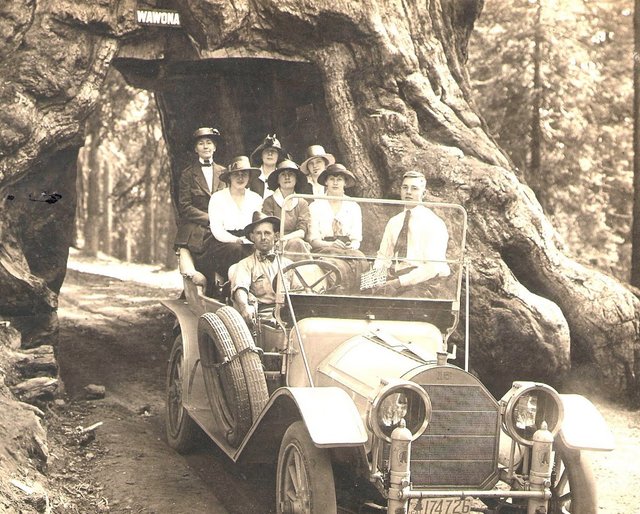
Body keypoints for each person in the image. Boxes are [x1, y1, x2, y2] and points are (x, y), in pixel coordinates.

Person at [372, 170, 450, 297]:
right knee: (361, 298)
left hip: (425, 282)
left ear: (423, 193)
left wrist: (398, 283)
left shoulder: (433, 223)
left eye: (414, 188)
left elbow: (432, 267)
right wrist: (376, 278)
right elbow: (383, 256)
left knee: (401, 306)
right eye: (405, 187)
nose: (408, 192)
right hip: (397, 277)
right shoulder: (394, 221)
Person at [174, 127, 225, 291]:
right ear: (196, 149)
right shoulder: (188, 174)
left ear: (215, 147)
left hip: (221, 224)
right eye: (201, 143)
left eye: (209, 142)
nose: (205, 146)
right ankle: (200, 287)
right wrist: (209, 219)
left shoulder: (224, 173)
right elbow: (185, 206)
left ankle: (223, 286)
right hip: (196, 226)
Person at [308, 163, 368, 291]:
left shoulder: (353, 206)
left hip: (347, 249)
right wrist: (330, 245)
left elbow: (356, 238)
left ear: (345, 183)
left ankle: (359, 302)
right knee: (335, 265)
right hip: (324, 249)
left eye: (339, 179)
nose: (335, 183)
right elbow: (313, 240)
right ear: (326, 182)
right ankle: (338, 295)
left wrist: (352, 245)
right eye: (331, 179)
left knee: (362, 262)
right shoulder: (315, 206)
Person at [229, 212, 293, 326]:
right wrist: (245, 308)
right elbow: (240, 288)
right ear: (252, 237)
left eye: (267, 233)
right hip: (262, 319)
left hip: (289, 315)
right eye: (259, 233)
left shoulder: (288, 264)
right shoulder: (245, 264)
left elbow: (300, 290)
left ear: (276, 236)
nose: (263, 238)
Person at [208, 156, 264, 282]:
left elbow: (259, 225)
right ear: (229, 177)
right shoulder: (217, 198)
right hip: (224, 243)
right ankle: (229, 285)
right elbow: (217, 230)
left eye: (244, 174)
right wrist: (236, 240)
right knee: (238, 251)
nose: (240, 178)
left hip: (249, 241)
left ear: (249, 177)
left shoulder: (256, 199)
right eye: (236, 174)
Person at [263, 159, 311, 260]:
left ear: (296, 179)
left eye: (291, 174)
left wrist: (285, 239)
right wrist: (279, 241)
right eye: (283, 174)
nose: (287, 177)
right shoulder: (269, 201)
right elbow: (267, 228)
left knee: (297, 243)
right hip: (274, 244)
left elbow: (302, 231)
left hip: (295, 242)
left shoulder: (302, 203)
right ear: (277, 179)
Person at [249, 134, 288, 199]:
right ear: (261, 155)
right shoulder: (253, 176)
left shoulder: (283, 177)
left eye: (273, 151)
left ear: (278, 156)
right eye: (267, 151)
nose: (270, 154)